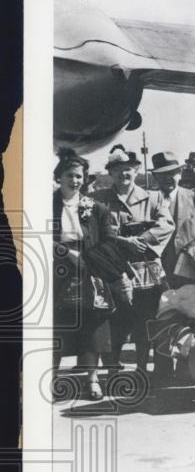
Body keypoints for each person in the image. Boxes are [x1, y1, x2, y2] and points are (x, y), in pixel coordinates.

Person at [93, 146, 175, 375]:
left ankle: (141, 365)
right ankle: (112, 367)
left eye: (128, 169)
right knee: (115, 319)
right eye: (118, 169)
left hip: (145, 268)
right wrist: (121, 241)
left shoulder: (154, 197)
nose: (124, 174)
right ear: (111, 173)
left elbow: (166, 225)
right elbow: (91, 231)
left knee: (145, 318)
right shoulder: (98, 199)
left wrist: (141, 239)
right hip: (113, 267)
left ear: (136, 170)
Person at [52, 149, 117, 400]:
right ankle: (53, 379)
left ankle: (92, 379)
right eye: (70, 175)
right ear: (59, 177)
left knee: (92, 323)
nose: (75, 181)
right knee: (55, 325)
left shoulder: (96, 208)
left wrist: (88, 258)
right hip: (56, 269)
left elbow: (109, 239)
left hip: (89, 269)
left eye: (79, 176)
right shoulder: (46, 203)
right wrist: (64, 252)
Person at [151, 151, 195, 289]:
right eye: (162, 174)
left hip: (189, 269)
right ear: (155, 176)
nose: (167, 178)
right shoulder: (148, 199)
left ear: (180, 173)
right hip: (157, 271)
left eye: (172, 173)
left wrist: (193, 250)